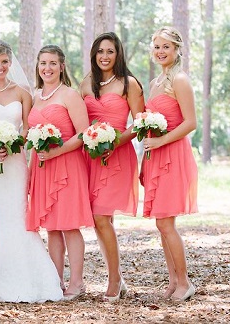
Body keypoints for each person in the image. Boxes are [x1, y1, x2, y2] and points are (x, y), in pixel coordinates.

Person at [0, 40, 63, 302]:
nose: (0, 67)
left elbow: (28, 129)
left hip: (15, 163)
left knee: (16, 216)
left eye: (4, 62)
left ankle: (25, 276)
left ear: (11, 63)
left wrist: (12, 145)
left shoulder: (22, 92)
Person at [79, 32, 144, 302]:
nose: (104, 56)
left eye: (110, 51)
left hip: (117, 155)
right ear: (94, 55)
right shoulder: (86, 83)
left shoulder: (129, 84)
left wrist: (115, 141)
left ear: (118, 55)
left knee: (101, 217)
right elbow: (79, 122)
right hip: (91, 157)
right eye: (100, 51)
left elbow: (140, 122)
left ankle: (114, 280)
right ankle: (116, 274)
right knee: (99, 219)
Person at [26, 44, 94, 300]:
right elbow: (32, 141)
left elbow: (83, 133)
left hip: (67, 165)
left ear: (62, 66)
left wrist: (57, 151)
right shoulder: (35, 96)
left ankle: (76, 282)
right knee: (52, 228)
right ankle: (56, 280)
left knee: (69, 226)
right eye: (43, 63)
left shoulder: (69, 95)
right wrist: (32, 173)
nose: (47, 68)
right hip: (43, 168)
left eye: (53, 63)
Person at [141, 26, 198, 301]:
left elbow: (191, 123)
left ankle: (185, 282)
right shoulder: (154, 84)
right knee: (159, 224)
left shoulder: (181, 80)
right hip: (154, 155)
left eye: (166, 46)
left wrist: (161, 143)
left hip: (173, 155)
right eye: (156, 46)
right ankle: (173, 281)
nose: (160, 51)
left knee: (166, 223)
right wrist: (144, 160)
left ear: (176, 50)